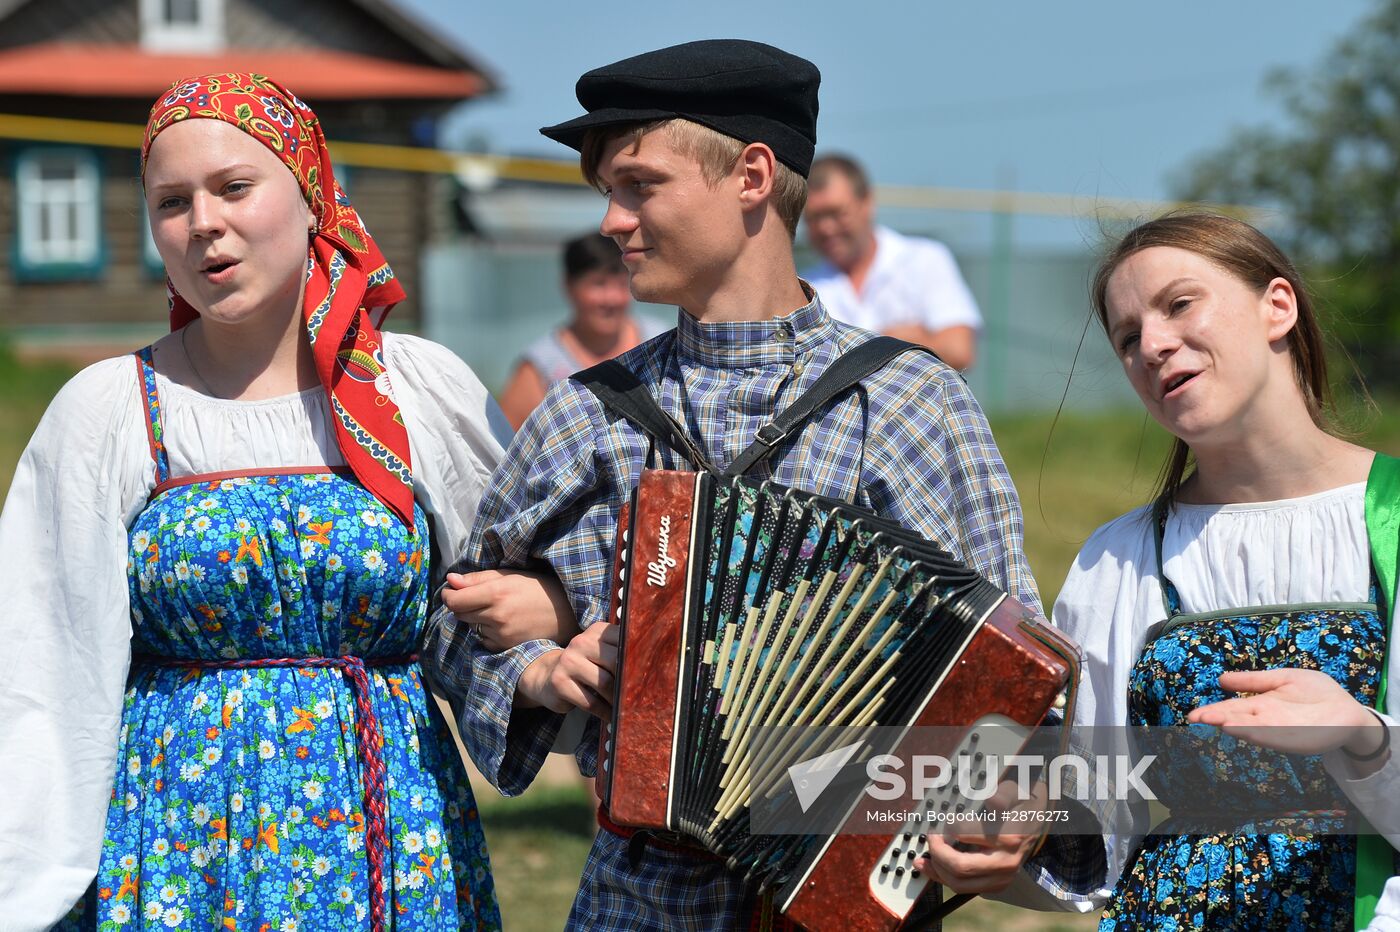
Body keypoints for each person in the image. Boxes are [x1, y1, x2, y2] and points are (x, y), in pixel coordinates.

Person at [421, 38, 1040, 930]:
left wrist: (1001, 808)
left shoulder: (908, 403)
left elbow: (1015, 672)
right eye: (608, 193)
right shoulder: (589, 415)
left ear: (752, 176)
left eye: (640, 185)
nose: (613, 221)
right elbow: (449, 625)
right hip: (638, 901)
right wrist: (542, 672)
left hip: (846, 903)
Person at [0, 73, 532, 931]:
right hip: (180, 841)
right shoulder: (113, 411)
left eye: (234, 187)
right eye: (172, 202)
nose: (202, 222)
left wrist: (544, 632)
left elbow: (503, 605)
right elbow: (40, 671)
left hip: (387, 831)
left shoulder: (414, 390)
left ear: (312, 194)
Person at [918, 213, 1398, 930]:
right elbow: (1095, 827)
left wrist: (1365, 736)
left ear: (1278, 306)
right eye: (1127, 337)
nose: (1152, 345)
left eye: (1180, 304)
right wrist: (1009, 850)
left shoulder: (1390, 520)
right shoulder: (1120, 557)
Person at [803, 154, 982, 370]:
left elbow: (959, 351)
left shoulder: (924, 259)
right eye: (813, 218)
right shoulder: (806, 287)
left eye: (836, 213)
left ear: (867, 202)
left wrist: (855, 351)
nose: (826, 227)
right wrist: (903, 340)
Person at [497, 232, 670, 429]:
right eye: (598, 284)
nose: (611, 299)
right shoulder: (540, 368)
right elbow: (505, 440)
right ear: (569, 286)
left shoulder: (661, 341)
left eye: (622, 284)